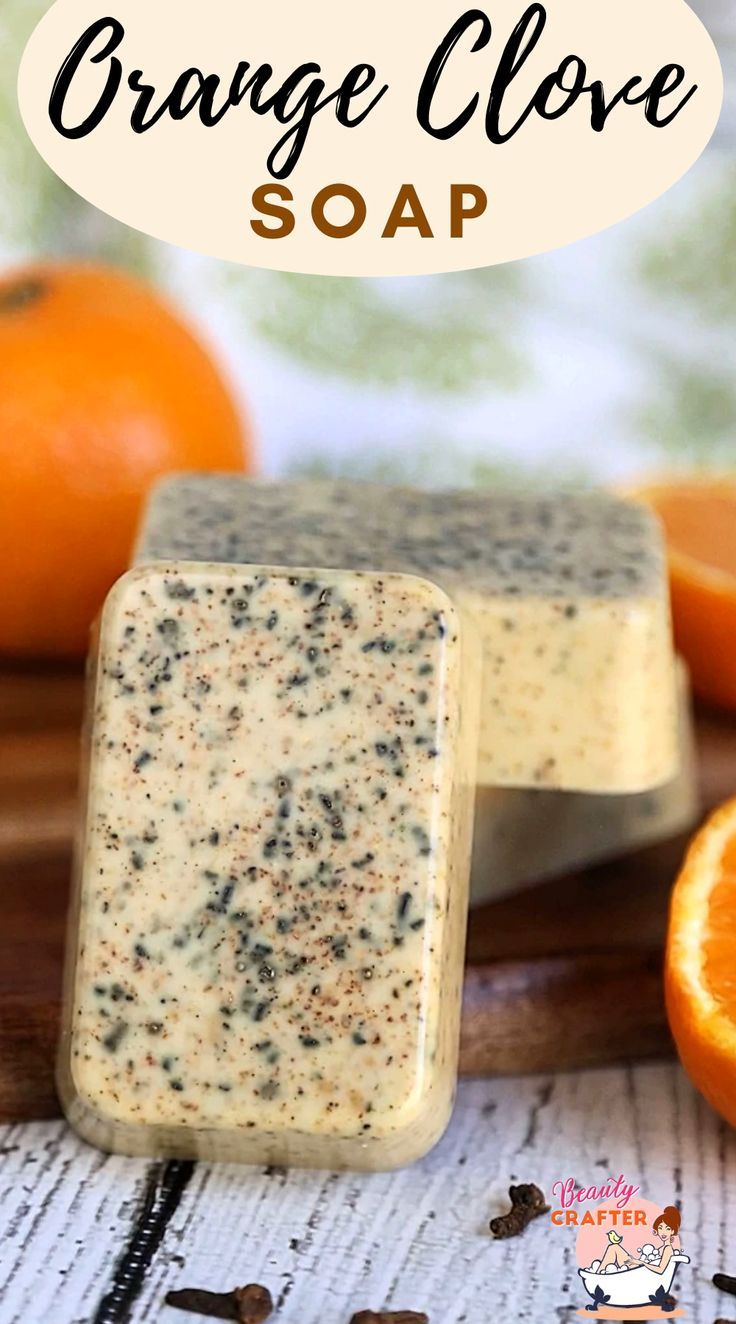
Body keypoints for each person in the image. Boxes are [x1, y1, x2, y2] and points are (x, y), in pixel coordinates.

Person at [595, 1206, 681, 1276]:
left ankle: (597, 1275)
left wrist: (641, 1263)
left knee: (614, 1247)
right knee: (614, 1247)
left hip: (642, 1273)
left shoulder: (668, 1249)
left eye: (667, 1229)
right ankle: (599, 1274)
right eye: (660, 1228)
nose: (663, 1232)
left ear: (672, 1231)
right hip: (640, 1268)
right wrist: (638, 1261)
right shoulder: (662, 1247)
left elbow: (660, 1270)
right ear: (657, 1230)